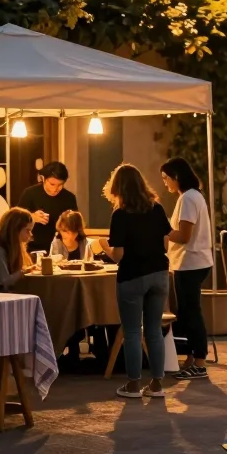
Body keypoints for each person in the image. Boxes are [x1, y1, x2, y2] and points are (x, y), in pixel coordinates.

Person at [99, 164, 172, 400]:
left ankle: (133, 386)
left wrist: (103, 246)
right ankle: (157, 385)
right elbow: (165, 245)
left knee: (132, 332)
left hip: (132, 276)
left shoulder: (120, 214)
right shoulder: (157, 208)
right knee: (154, 331)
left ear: (117, 187)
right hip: (159, 274)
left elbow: (118, 255)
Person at [160, 157, 213, 381]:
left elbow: (184, 235)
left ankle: (200, 361)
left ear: (177, 177)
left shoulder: (189, 198)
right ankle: (193, 357)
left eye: (166, 178)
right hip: (189, 262)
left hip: (191, 262)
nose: (165, 183)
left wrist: (161, 230)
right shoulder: (190, 196)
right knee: (186, 312)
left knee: (191, 313)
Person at [18, 161, 78, 253]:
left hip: (60, 249)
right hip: (32, 248)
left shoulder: (69, 198)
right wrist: (32, 217)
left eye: (60, 185)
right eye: (52, 184)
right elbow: (16, 220)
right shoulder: (30, 193)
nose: (55, 189)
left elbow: (74, 225)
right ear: (43, 178)